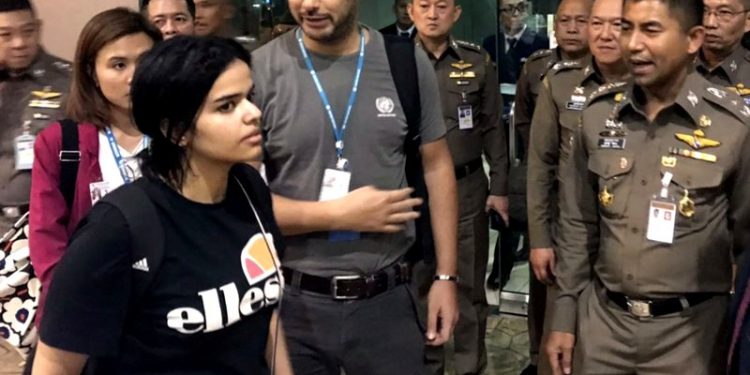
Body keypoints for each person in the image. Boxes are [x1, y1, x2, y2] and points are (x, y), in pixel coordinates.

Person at [32, 35, 293, 374]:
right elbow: (56, 364)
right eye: (227, 106)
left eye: (250, 97)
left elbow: (265, 310)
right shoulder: (117, 229)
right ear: (176, 131)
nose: (253, 113)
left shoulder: (248, 188)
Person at [252, 0, 460, 373]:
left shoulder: (405, 64)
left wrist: (446, 276)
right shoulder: (259, 70)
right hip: (293, 302)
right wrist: (338, 214)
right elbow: (244, 203)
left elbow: (437, 165)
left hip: (388, 298)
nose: (309, 5)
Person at [545, 0, 750, 374]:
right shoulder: (597, 114)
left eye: (650, 30)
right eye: (627, 28)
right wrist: (564, 315)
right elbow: (578, 226)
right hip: (603, 328)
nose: (633, 44)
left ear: (693, 39)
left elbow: (746, 243)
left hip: (692, 338)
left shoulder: (733, 126)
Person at [29, 7, 162, 334]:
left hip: (165, 309)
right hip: (88, 310)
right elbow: (47, 238)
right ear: (91, 72)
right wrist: (80, 301)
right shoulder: (62, 142)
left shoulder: (179, 136)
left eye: (145, 62)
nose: (134, 75)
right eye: (118, 65)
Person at [409, 1, 506, 374]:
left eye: (441, 6)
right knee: (419, 286)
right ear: (412, 10)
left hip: (467, 188)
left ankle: (469, 367)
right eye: (424, 5)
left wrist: (499, 186)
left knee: (467, 288)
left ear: (457, 13)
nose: (432, 14)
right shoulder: (392, 60)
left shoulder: (477, 60)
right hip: (414, 190)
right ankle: (428, 365)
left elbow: (494, 128)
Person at [512, 0, 591, 372]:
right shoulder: (543, 70)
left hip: (599, 212)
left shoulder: (622, 75)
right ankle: (538, 358)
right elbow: (533, 148)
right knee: (547, 296)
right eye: (565, 21)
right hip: (554, 205)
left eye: (582, 21)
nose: (573, 28)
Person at [0, 0, 70, 234]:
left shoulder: (69, 82)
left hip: (39, 225)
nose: (19, 43)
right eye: (5, 35)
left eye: (27, 32)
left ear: (38, 28)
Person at [482, 0, 550, 84]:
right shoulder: (490, 43)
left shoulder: (541, 43)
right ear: (500, 15)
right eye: (509, 9)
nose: (516, 14)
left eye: (521, 7)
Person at [695, 0, 750, 90]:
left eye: (724, 12)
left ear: (748, 20)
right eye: (704, 11)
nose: (710, 23)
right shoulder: (676, 64)